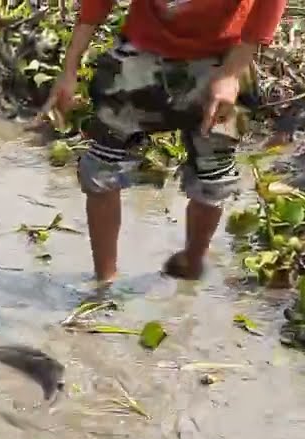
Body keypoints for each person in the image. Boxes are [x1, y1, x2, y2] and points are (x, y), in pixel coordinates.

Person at [43, 0, 286, 287]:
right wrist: (69, 68)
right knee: (101, 166)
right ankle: (103, 283)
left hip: (222, 54)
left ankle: (192, 263)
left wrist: (233, 72)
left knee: (214, 178)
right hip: (143, 50)